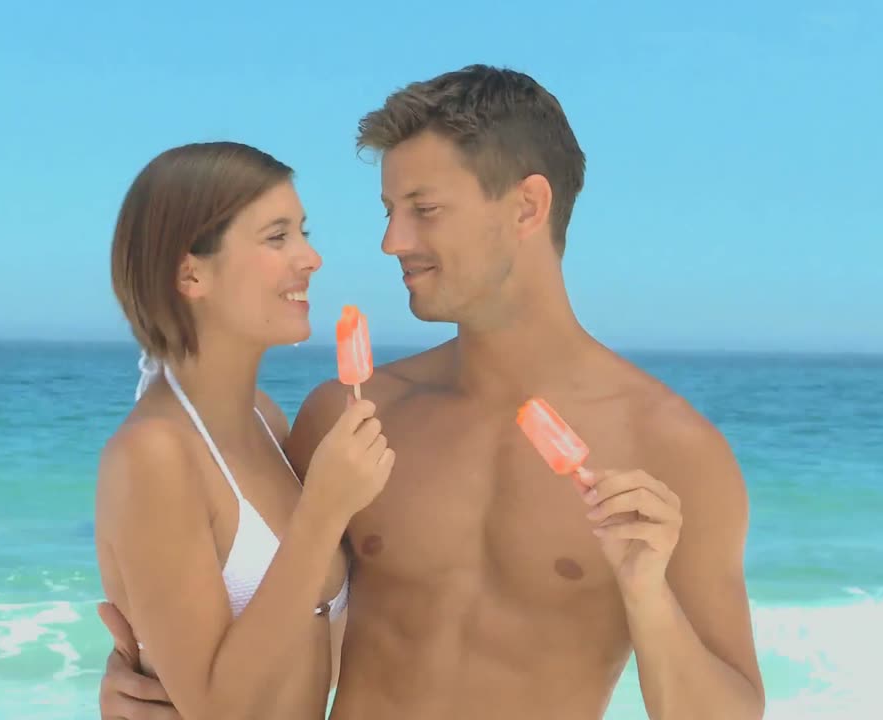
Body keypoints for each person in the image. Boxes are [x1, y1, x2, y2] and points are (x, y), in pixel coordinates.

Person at [98, 65, 765, 720]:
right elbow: (272, 618)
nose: (392, 242)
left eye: (425, 210)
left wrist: (650, 599)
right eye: (390, 212)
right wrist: (146, 679)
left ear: (527, 207)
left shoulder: (672, 451)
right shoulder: (351, 415)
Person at [95, 141, 396, 720]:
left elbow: (312, 654)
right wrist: (324, 511)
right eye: (277, 237)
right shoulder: (153, 455)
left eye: (303, 233)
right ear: (191, 273)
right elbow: (217, 708)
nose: (311, 258)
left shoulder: (265, 419)